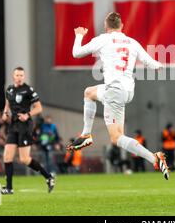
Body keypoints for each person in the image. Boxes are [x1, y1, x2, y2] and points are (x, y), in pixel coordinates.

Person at [66, 12, 169, 180]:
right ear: (122, 26)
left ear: (106, 27)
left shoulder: (103, 39)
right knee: (89, 92)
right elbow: (151, 62)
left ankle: (153, 158)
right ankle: (85, 134)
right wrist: (159, 66)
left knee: (116, 138)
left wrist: (78, 36)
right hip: (127, 91)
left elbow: (76, 53)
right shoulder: (132, 42)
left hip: (114, 91)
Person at [0, 67, 55, 195]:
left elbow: (39, 108)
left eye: (21, 75)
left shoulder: (28, 90)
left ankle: (48, 177)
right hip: (13, 125)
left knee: (24, 159)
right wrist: (5, 113)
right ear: (13, 76)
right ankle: (9, 188)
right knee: (7, 156)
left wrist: (27, 115)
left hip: (25, 126)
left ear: (24, 77)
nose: (19, 77)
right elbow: (7, 103)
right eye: (17, 75)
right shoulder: (9, 89)